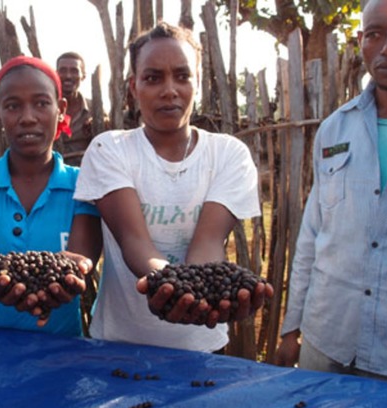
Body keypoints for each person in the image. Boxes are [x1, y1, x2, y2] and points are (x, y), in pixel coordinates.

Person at [73, 22, 271, 353]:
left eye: (182, 76)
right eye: (153, 78)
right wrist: (173, 286)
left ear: (197, 83)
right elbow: (135, 242)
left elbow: (207, 243)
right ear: (133, 87)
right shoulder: (109, 150)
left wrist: (194, 292)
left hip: (202, 343)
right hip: (119, 343)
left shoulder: (228, 155)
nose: (169, 90)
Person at [275, 0, 387, 382]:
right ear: (360, 42)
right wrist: (292, 328)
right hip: (327, 344)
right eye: (375, 34)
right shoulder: (334, 131)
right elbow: (312, 233)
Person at [0, 55, 102, 336]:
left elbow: (79, 260)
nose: (28, 118)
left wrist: (70, 274)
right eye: (13, 106)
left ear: (61, 109)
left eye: (41, 103)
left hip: (59, 346)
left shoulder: (83, 184)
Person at [55, 52, 95, 166]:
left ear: (83, 76)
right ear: (56, 74)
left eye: (74, 71)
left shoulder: (94, 111)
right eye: (63, 70)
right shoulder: (46, 110)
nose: (68, 76)